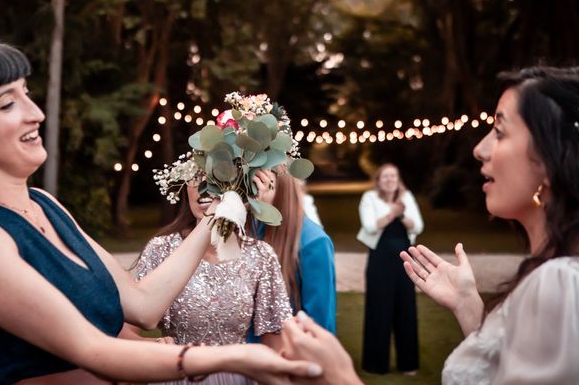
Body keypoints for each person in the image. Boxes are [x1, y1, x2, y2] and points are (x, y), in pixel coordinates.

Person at [0, 40, 322, 384]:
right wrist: (236, 356)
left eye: (28, 94)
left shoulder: (46, 204)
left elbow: (142, 306)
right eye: (8, 103)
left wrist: (223, 211)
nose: (36, 113)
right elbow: (92, 350)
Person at [401, 65, 579, 384]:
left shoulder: (558, 281)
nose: (479, 149)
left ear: (550, 161)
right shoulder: (555, 275)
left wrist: (343, 378)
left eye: (499, 132)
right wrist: (468, 306)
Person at [132, 173, 293, 384]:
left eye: (216, 175)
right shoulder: (161, 250)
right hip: (177, 376)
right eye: (195, 175)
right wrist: (155, 347)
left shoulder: (260, 255)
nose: (203, 185)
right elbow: (123, 329)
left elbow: (275, 340)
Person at [249, 169, 336, 336]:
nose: (253, 189)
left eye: (260, 181)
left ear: (282, 185)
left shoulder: (314, 242)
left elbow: (319, 324)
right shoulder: (245, 231)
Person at [357, 163, 423, 375]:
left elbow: (418, 226)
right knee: (378, 309)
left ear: (398, 179)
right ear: (378, 180)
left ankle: (408, 364)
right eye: (385, 176)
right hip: (379, 262)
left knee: (406, 309)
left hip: (404, 262)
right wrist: (393, 213)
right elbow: (369, 226)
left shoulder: (407, 197)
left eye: (393, 176)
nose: (389, 179)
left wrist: (402, 215)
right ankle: (376, 365)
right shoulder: (369, 198)